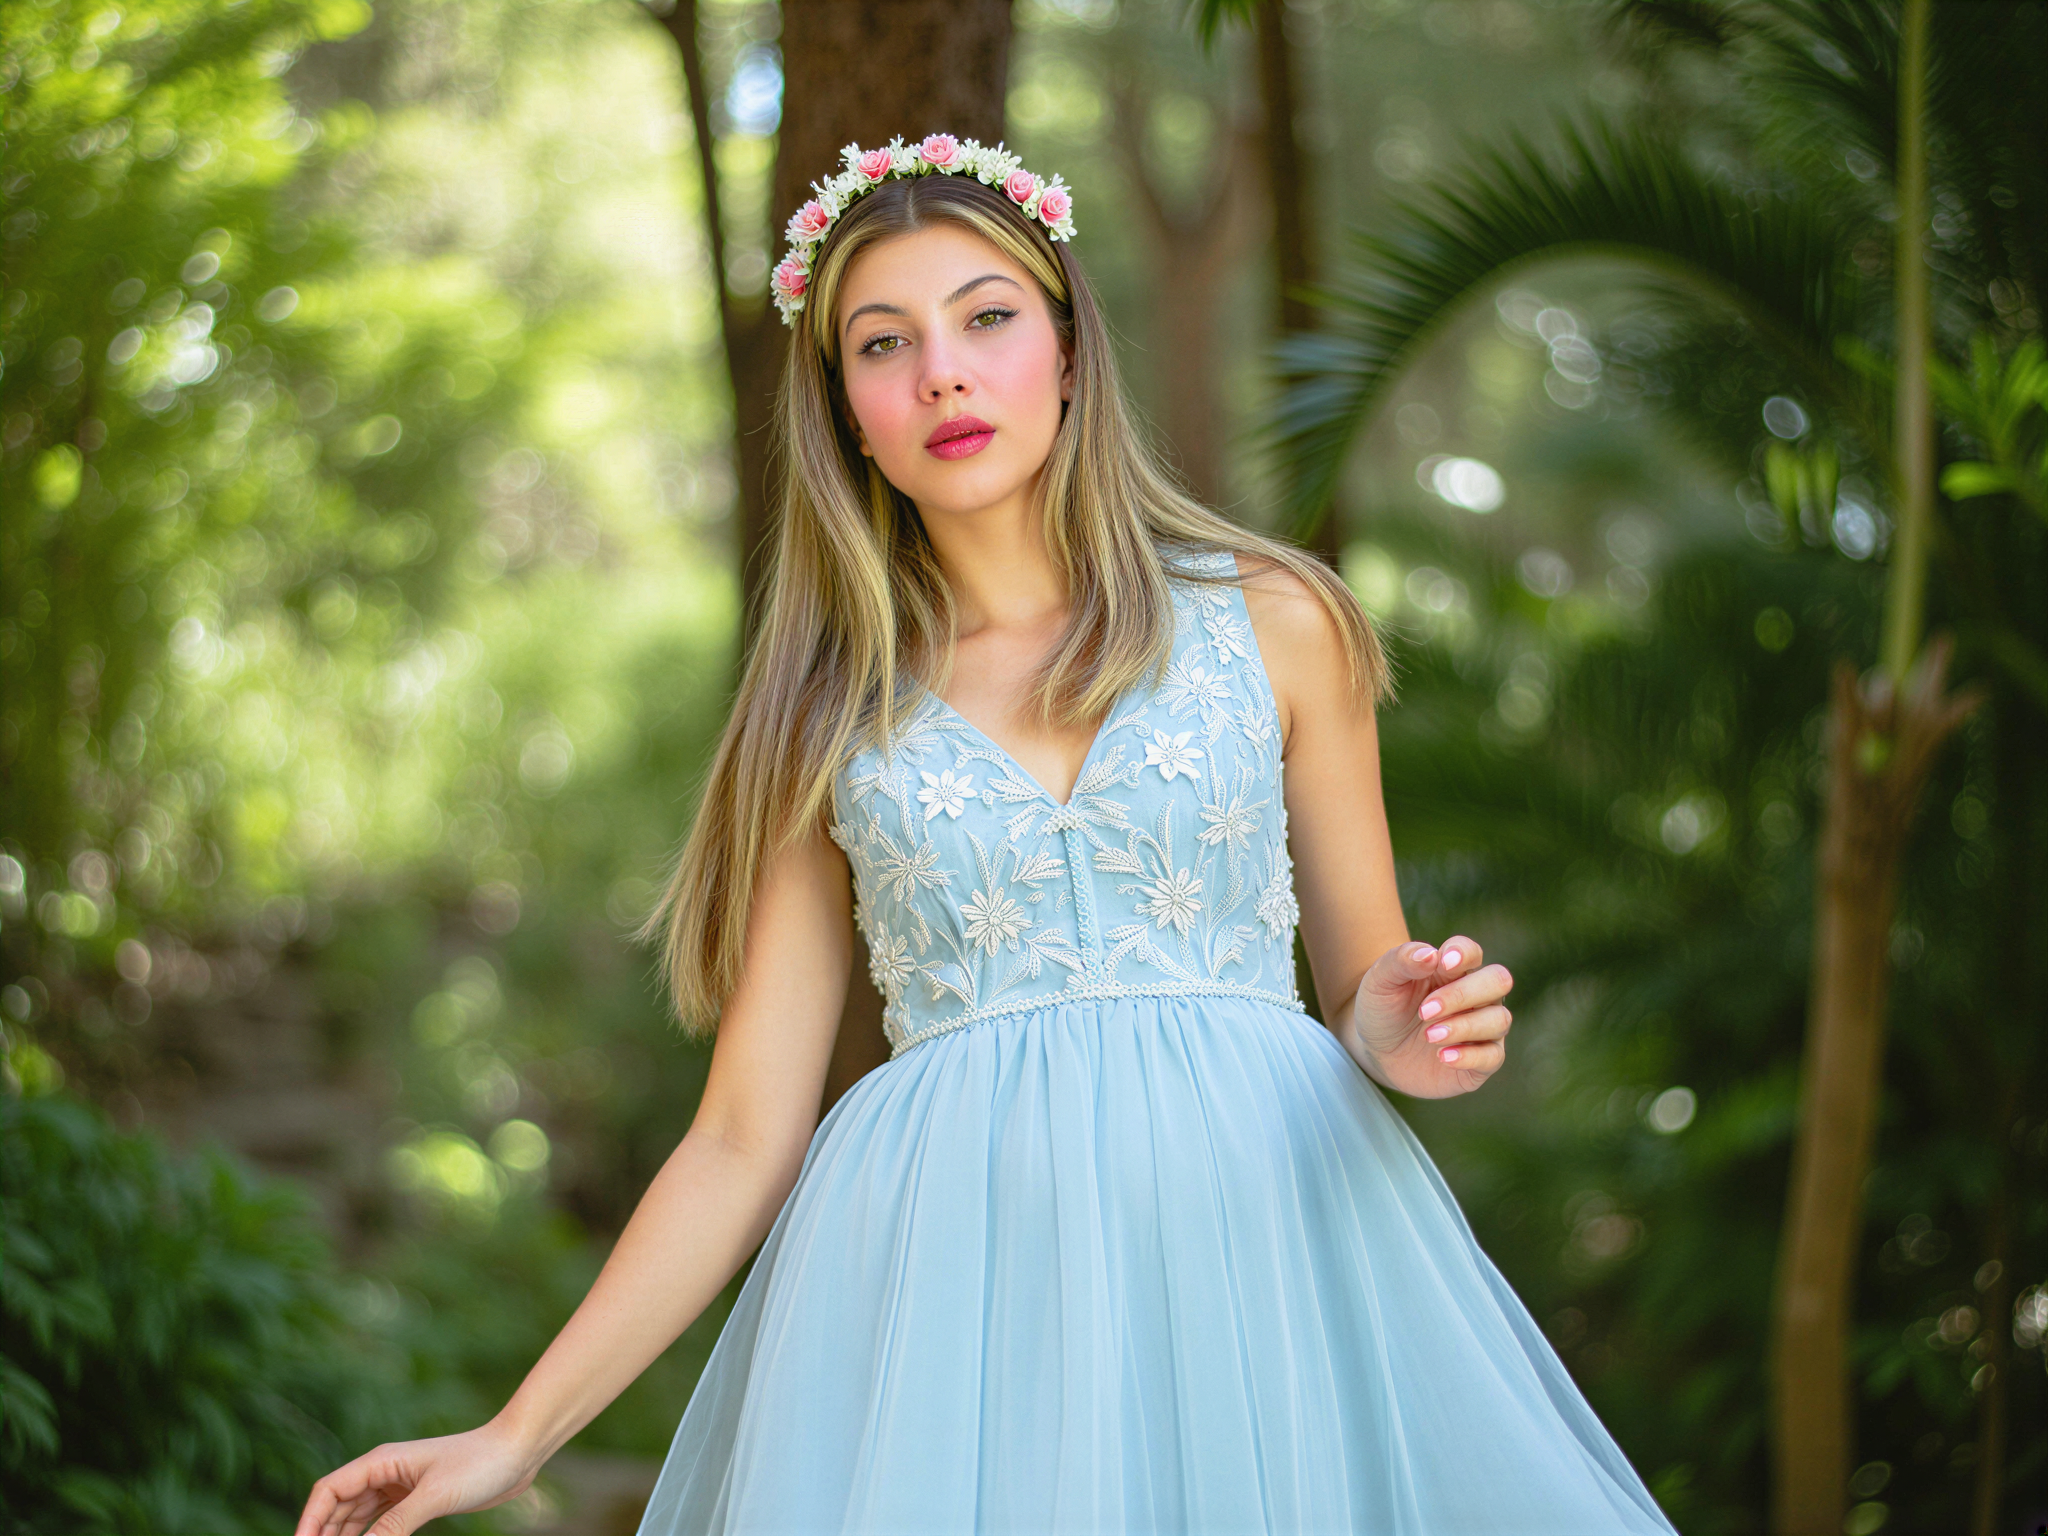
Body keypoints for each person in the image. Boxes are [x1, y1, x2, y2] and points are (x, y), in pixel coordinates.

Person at [295, 134, 1677, 1536]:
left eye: (988, 317)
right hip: (959, 1312)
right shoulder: (824, 717)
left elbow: (1368, 990)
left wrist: (1405, 1030)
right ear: (847, 414)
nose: (942, 375)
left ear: (1069, 354)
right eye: (884, 344)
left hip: (1270, 1257)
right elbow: (740, 1134)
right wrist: (515, 1437)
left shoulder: (1277, 621)